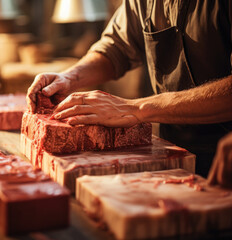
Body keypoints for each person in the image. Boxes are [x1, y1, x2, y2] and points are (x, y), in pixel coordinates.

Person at [27, 0, 232, 177]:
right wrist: (69, 78)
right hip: (174, 146)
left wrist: (136, 108)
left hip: (224, 153)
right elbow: (117, 47)